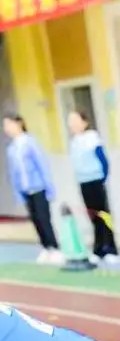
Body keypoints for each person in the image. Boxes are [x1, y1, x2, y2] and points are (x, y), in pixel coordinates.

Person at [2, 114, 62, 265]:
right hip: (25, 189)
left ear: (19, 123)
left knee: (44, 218)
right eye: (5, 126)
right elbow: (13, 172)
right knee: (35, 219)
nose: (7, 129)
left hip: (38, 187)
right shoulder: (12, 148)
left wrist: (49, 187)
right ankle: (45, 247)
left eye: (9, 124)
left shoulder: (30, 142)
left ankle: (54, 247)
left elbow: (42, 164)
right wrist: (18, 193)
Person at [67, 110, 118, 264]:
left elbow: (103, 159)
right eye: (70, 121)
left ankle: (111, 249)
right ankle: (98, 249)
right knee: (93, 216)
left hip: (96, 179)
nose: (73, 124)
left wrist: (103, 176)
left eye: (76, 120)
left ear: (84, 122)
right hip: (83, 182)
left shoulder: (92, 138)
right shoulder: (74, 141)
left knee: (104, 215)